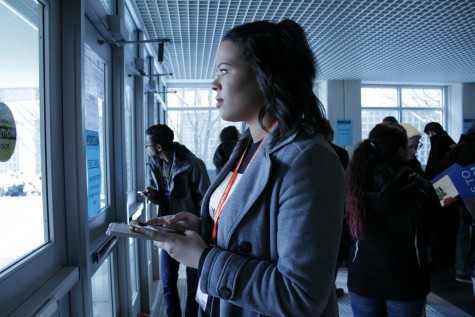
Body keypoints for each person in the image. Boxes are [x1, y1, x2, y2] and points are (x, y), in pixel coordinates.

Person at [136, 19, 346, 316]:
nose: (214, 83)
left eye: (224, 70)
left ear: (266, 76)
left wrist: (204, 259)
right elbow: (255, 234)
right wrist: (202, 227)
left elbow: (301, 296)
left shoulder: (309, 160)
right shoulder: (247, 146)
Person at [345, 123, 441, 317]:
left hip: (363, 276)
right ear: (400, 150)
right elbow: (436, 235)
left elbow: (345, 231)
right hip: (406, 278)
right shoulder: (421, 186)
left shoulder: (356, 184)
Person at [142, 124, 211, 317]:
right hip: (166, 230)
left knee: (192, 284)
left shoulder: (192, 164)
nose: (146, 149)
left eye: (147, 145)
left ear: (158, 147)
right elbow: (163, 196)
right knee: (167, 282)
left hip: (190, 232)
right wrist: (153, 194)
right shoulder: (155, 164)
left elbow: (206, 200)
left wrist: (202, 229)